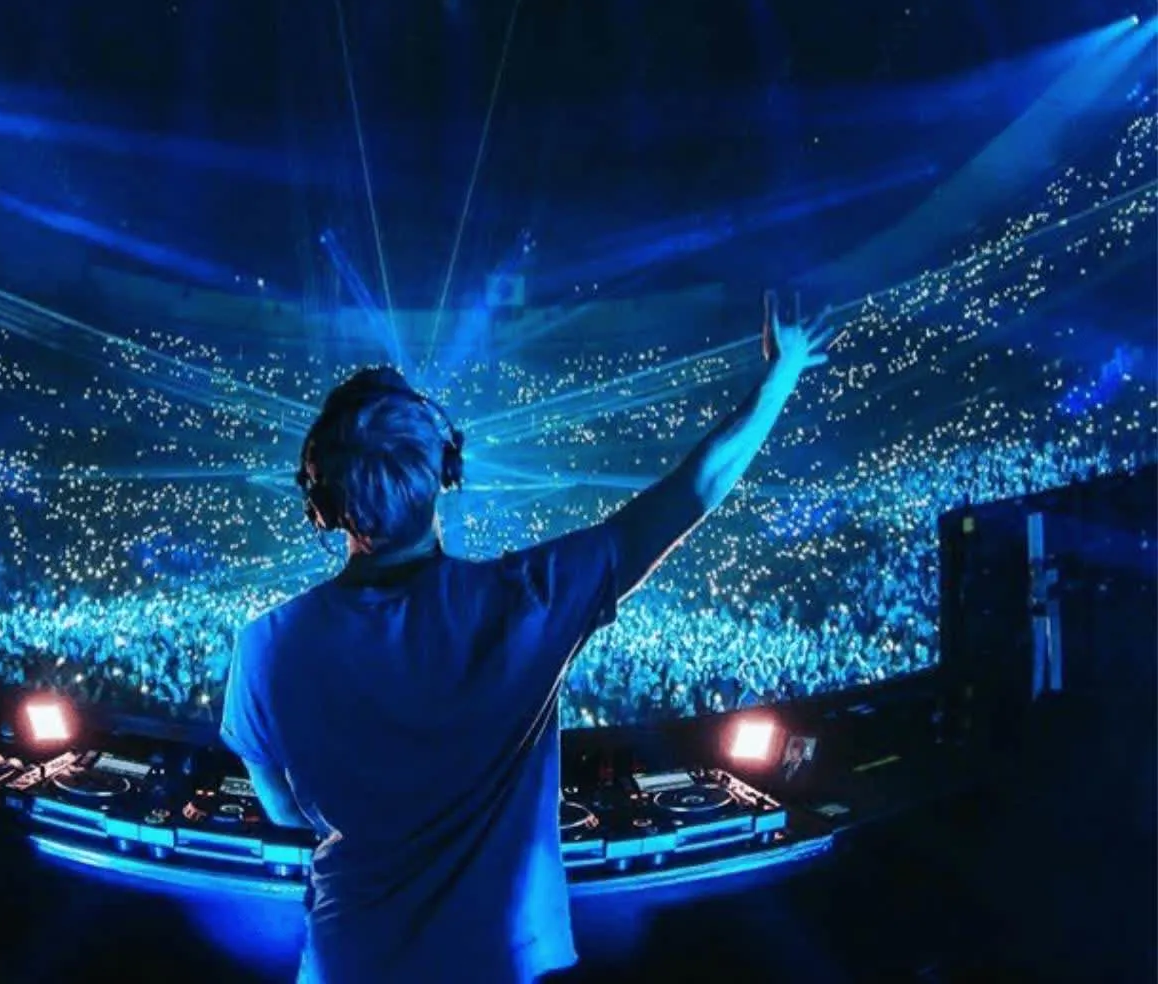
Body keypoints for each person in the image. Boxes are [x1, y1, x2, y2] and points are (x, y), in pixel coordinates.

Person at [221, 292, 833, 983]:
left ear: (323, 504)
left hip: (349, 962)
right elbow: (689, 494)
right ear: (445, 471)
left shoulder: (265, 646)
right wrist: (780, 375)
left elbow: (284, 810)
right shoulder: (528, 603)